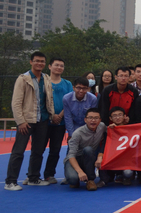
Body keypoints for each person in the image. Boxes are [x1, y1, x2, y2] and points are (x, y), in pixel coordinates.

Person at [5, 51, 55, 190]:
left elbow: (49, 99)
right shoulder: (23, 79)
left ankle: (33, 178)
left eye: (42, 61)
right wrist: (20, 121)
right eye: (37, 61)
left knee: (38, 152)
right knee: (18, 151)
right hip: (26, 121)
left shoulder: (46, 78)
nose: (40, 63)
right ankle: (10, 181)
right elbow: (16, 103)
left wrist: (51, 115)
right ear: (31, 62)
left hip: (42, 120)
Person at [42, 58, 73, 184]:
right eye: (56, 65)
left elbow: (70, 102)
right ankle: (32, 175)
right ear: (50, 66)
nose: (59, 67)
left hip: (60, 122)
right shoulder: (43, 82)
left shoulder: (67, 84)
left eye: (61, 66)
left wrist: (59, 115)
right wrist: (51, 115)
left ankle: (49, 174)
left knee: (55, 150)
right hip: (44, 121)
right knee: (38, 150)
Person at [63, 108, 105, 191]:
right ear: (85, 120)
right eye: (90, 118)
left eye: (96, 118)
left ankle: (90, 180)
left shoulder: (102, 126)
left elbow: (112, 132)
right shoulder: (77, 133)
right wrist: (80, 171)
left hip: (88, 157)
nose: (93, 120)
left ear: (100, 120)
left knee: (88, 150)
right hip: (75, 159)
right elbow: (71, 155)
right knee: (73, 179)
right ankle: (75, 176)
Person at [99, 106, 134, 186]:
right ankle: (104, 180)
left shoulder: (131, 128)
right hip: (113, 158)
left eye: (120, 115)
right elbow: (105, 145)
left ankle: (125, 177)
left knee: (128, 172)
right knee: (101, 159)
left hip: (126, 159)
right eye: (114, 116)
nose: (117, 117)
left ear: (125, 116)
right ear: (110, 118)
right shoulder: (109, 130)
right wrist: (100, 156)